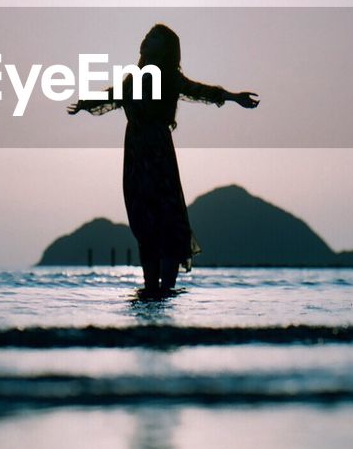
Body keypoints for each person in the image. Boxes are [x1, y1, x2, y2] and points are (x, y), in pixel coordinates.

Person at [68, 23, 259, 295]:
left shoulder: (169, 77)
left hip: (157, 153)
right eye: (147, 34)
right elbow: (114, 96)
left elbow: (200, 90)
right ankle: (150, 289)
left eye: (155, 37)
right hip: (135, 156)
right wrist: (86, 103)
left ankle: (166, 289)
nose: (147, 38)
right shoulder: (133, 77)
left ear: (166, 48)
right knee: (143, 221)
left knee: (167, 218)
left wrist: (233, 97)